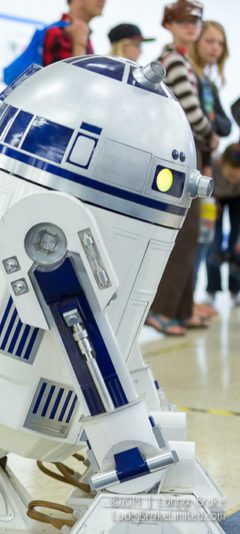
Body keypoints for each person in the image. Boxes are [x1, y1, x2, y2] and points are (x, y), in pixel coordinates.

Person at [145, 0, 211, 336]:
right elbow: (191, 113)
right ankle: (161, 310)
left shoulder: (179, 59)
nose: (191, 26)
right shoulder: (174, 59)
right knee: (184, 233)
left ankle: (180, 310)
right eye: (184, 21)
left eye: (195, 21)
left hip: (187, 148)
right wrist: (210, 133)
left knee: (190, 233)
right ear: (170, 24)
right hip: (184, 148)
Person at [189, 20, 231, 314]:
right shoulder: (189, 75)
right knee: (192, 237)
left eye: (220, 43)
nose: (215, 48)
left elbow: (225, 126)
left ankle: (187, 302)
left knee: (202, 236)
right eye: (210, 41)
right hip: (191, 167)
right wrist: (210, 127)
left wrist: (210, 126)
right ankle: (182, 305)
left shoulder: (208, 84)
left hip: (206, 172)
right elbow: (207, 124)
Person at [205, 145, 240, 305]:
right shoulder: (213, 162)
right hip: (215, 199)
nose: (233, 179)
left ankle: (235, 290)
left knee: (235, 245)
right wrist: (212, 204)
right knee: (213, 243)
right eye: (231, 174)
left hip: (237, 200)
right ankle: (212, 290)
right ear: (221, 164)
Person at [42, 0, 105, 66]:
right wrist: (79, 46)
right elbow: (64, 75)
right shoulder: (56, 33)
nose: (103, 1)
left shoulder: (83, 35)